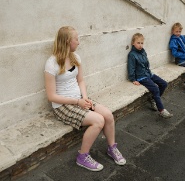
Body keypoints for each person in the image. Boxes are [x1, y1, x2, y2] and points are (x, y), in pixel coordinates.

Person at [44, 26, 126, 172]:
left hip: (79, 99)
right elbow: (51, 96)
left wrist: (85, 99)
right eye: (76, 39)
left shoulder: (76, 57)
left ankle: (112, 148)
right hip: (62, 105)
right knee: (98, 121)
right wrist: (77, 102)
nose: (79, 42)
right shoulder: (52, 63)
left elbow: (80, 81)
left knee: (107, 115)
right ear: (68, 41)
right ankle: (82, 156)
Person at [127, 33, 173, 118]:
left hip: (148, 74)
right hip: (141, 77)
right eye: (138, 43)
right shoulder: (132, 55)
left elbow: (146, 64)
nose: (140, 45)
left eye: (142, 43)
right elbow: (131, 68)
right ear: (133, 43)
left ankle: (153, 100)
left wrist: (149, 73)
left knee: (164, 84)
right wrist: (133, 79)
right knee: (155, 88)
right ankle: (161, 110)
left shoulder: (143, 52)